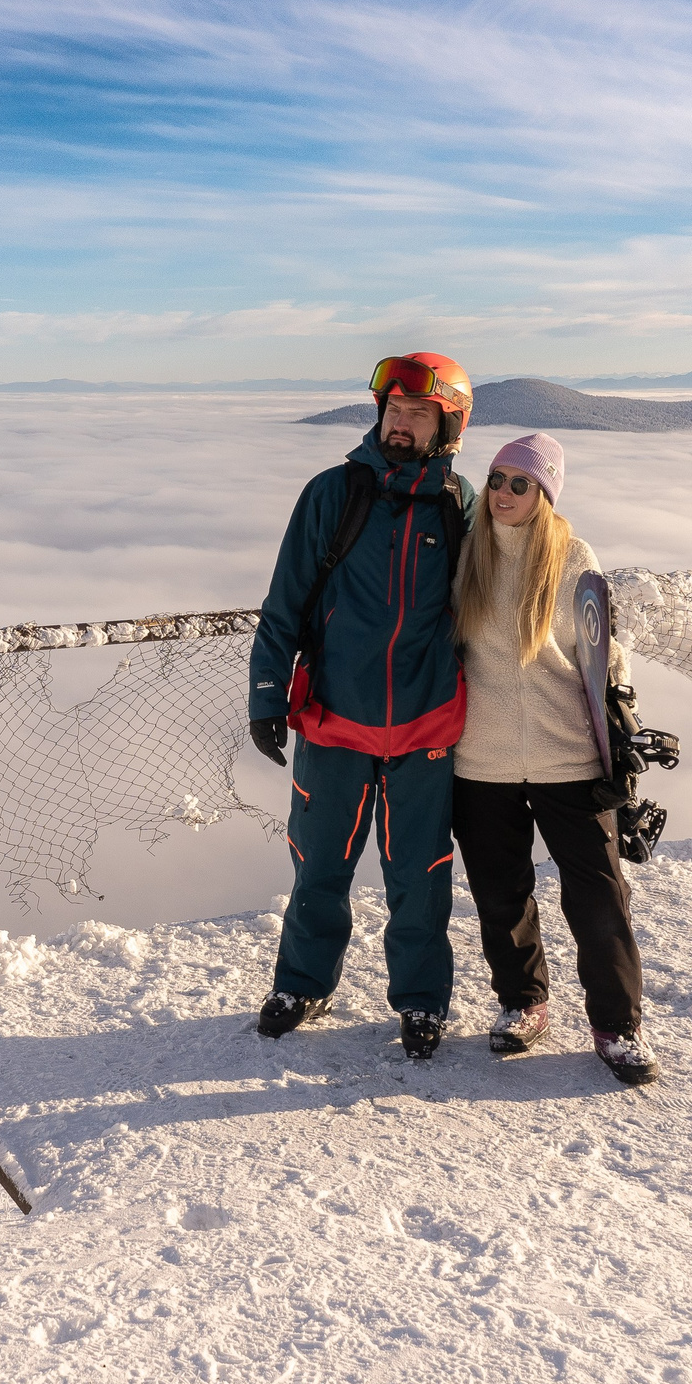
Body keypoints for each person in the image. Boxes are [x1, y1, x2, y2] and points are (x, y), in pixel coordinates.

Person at [248, 353, 476, 1060]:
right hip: (335, 719)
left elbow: (489, 611)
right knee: (319, 864)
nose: (400, 424)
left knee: (420, 872)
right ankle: (303, 983)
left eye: (417, 414)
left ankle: (420, 1001)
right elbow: (286, 599)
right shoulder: (333, 493)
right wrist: (265, 691)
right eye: (392, 411)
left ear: (448, 426)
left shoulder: (459, 504)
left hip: (427, 721)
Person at [449, 433, 657, 1085]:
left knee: (599, 896)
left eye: (521, 483)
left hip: (568, 757)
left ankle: (617, 1026)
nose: (504, 493)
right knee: (499, 893)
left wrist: (623, 728)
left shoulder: (571, 557)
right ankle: (523, 1003)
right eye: (497, 479)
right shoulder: (466, 555)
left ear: (546, 494)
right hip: (481, 759)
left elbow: (602, 654)